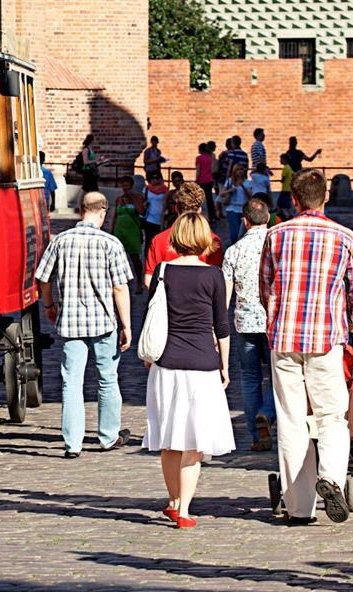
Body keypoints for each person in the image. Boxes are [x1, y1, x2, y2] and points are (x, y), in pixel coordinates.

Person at [259, 168, 353, 526]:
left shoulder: (275, 235)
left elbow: (265, 287)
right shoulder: (345, 236)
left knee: (291, 420)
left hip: (285, 337)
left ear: (293, 199)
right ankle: (332, 478)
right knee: (332, 415)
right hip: (326, 338)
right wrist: (350, 326)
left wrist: (275, 318)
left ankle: (299, 506)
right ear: (327, 197)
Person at [143, 212, 234, 529]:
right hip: (202, 365)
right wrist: (224, 365)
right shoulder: (213, 276)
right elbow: (221, 327)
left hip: (166, 363)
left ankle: (172, 500)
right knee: (194, 443)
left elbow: (152, 313)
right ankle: (184, 509)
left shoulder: (163, 271)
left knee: (169, 439)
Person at [35, 191, 133, 458]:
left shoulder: (62, 241)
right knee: (107, 379)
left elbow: (43, 278)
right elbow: (120, 288)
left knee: (71, 382)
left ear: (80, 210)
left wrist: (49, 304)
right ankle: (108, 436)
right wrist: (127, 325)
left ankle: (72, 443)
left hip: (71, 323)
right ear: (103, 212)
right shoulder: (110, 243)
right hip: (103, 323)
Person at [222, 198, 276, 451]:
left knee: (250, 378)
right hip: (274, 322)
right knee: (280, 377)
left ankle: (257, 436)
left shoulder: (234, 250)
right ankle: (267, 412)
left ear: (244, 221)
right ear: (268, 219)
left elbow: (225, 295)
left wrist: (218, 326)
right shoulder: (277, 245)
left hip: (245, 323)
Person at [144, 182, 224, 288]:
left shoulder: (159, 240)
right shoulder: (213, 240)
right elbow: (216, 278)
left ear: (176, 208)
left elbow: (148, 279)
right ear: (199, 209)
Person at [111, 175, 145, 293]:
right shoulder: (119, 199)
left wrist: (133, 199)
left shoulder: (138, 197)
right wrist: (112, 230)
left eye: (127, 185)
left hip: (133, 230)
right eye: (123, 185)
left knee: (135, 257)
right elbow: (115, 215)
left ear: (131, 186)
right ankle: (121, 281)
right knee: (119, 257)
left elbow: (141, 211)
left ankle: (139, 282)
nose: (125, 187)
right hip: (120, 230)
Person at [217, 164, 250, 245]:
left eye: (242, 170)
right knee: (234, 232)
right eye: (238, 170)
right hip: (231, 208)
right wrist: (230, 190)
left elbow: (250, 195)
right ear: (234, 171)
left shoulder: (247, 182)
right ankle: (234, 245)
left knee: (243, 231)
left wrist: (242, 186)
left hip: (243, 209)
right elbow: (221, 193)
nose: (240, 172)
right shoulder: (229, 181)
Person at [141, 171, 168, 259]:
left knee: (159, 241)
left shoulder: (165, 190)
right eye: (153, 178)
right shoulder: (147, 189)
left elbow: (166, 204)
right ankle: (147, 259)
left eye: (158, 178)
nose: (155, 180)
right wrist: (144, 205)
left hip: (160, 219)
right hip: (149, 218)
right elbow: (143, 200)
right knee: (148, 241)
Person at [194, 143, 216, 223]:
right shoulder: (210, 158)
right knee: (209, 199)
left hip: (201, 180)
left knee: (198, 199)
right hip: (209, 180)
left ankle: (198, 215)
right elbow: (211, 168)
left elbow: (198, 170)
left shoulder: (199, 158)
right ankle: (212, 216)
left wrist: (196, 179)